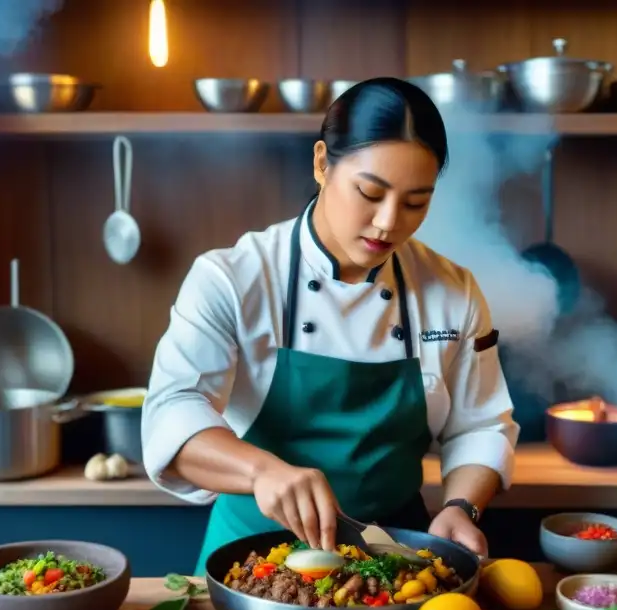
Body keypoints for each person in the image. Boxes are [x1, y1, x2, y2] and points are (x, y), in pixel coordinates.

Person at [141, 77, 520, 577]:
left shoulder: (453, 291)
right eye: (370, 192)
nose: (388, 223)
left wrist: (461, 508)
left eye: (415, 203)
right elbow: (172, 414)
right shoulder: (233, 277)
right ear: (322, 163)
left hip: (397, 554)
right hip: (253, 557)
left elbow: (481, 425)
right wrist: (262, 471)